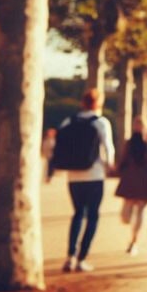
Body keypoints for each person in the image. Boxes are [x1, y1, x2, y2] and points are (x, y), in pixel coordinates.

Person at [59, 89, 115, 273]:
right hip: (94, 175)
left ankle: (70, 256)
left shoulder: (68, 121)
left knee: (77, 214)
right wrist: (109, 165)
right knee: (93, 216)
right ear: (99, 103)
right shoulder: (100, 122)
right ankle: (82, 258)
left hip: (73, 176)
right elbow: (109, 148)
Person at [115, 116, 147, 255]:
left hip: (140, 180)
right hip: (136, 179)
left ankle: (134, 241)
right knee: (126, 216)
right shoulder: (134, 143)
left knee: (140, 212)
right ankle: (134, 240)